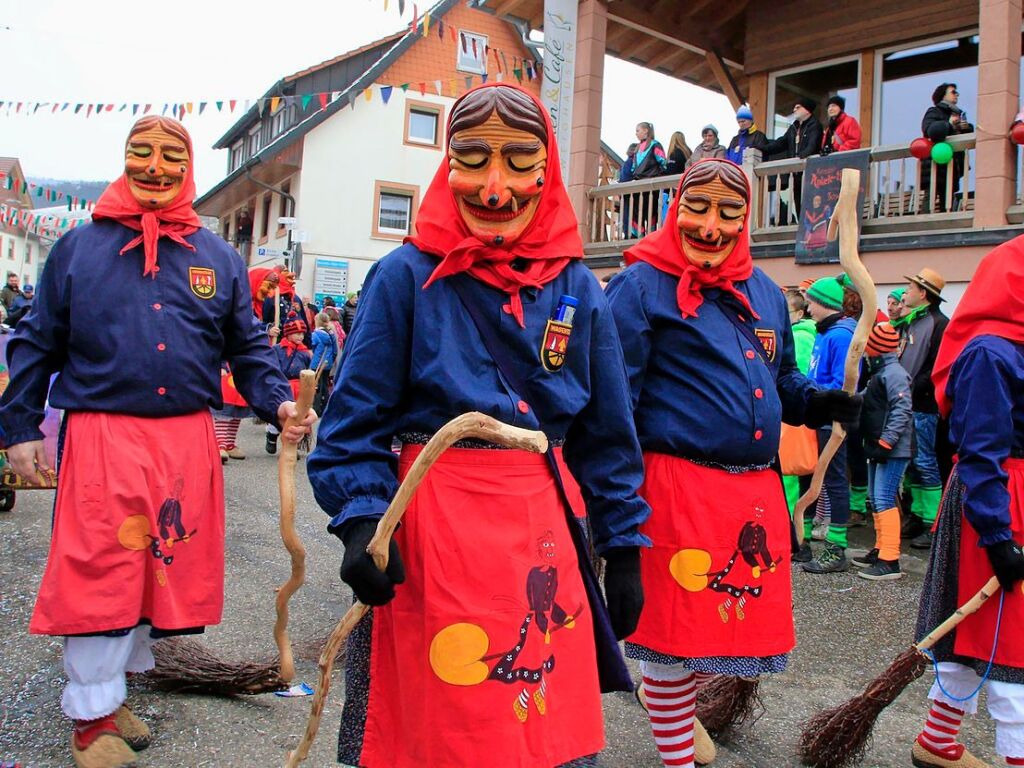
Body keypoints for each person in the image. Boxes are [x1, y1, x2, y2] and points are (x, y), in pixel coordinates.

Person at [307, 83, 649, 768]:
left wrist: (625, 542)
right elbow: (352, 424)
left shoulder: (578, 288)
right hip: (434, 535)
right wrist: (360, 523)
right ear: (448, 165)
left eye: (519, 161)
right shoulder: (403, 277)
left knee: (536, 722)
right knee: (442, 724)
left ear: (547, 170)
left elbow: (608, 432)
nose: (495, 187)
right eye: (474, 157)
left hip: (542, 528)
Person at [0, 116, 314, 768]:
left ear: (187, 167)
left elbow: (249, 349)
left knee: (155, 572)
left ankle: (110, 695)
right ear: (124, 160)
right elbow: (35, 342)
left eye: (169, 156)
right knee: (102, 573)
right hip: (103, 436)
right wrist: (19, 428)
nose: (155, 166)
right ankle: (90, 719)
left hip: (185, 444)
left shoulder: (217, 256)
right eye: (140, 153)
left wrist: (279, 401)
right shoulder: (79, 249)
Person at [606, 158, 859, 768]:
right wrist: (615, 514)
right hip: (674, 490)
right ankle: (676, 756)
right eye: (699, 207)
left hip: (750, 496)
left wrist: (820, 401)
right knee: (671, 641)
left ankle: (672, 719)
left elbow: (784, 380)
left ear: (746, 218)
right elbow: (615, 406)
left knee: (710, 635)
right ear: (675, 209)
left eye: (729, 211)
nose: (713, 226)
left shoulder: (766, 291)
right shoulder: (639, 288)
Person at [911, 235, 1024, 768]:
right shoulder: (990, 353)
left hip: (1006, 499)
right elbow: (981, 455)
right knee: (1007, 646)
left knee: (976, 630)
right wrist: (1000, 538)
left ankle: (936, 742)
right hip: (995, 503)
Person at [802, 276, 858, 572]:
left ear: (825, 303)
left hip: (832, 420)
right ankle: (804, 538)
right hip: (818, 416)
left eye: (811, 301)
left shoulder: (840, 335)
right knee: (812, 474)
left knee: (834, 479)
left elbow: (843, 380)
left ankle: (836, 548)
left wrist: (819, 401)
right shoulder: (825, 332)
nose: (807, 307)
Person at [894, 268, 950, 550]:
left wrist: (913, 386)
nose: (906, 292)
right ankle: (917, 514)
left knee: (925, 461)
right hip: (905, 402)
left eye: (911, 288)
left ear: (923, 293)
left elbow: (938, 365)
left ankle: (932, 521)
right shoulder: (910, 322)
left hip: (923, 405)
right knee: (912, 462)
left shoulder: (939, 324)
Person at [853, 322, 913, 581]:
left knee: (885, 498)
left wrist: (886, 441)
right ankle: (880, 549)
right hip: (878, 445)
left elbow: (902, 410)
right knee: (876, 498)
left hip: (891, 448)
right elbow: (865, 398)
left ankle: (890, 559)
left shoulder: (894, 374)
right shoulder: (881, 373)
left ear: (876, 349)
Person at [781, 288, 818, 561]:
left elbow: (795, 375)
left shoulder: (801, 337)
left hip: (794, 416)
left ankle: (794, 533)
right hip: (793, 413)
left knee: (789, 473)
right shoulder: (802, 333)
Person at [763, 99, 823, 215]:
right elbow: (781, 143)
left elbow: (813, 145)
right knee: (798, 203)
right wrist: (763, 148)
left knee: (811, 204)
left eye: (798, 107)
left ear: (807, 110)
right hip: (796, 173)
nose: (794, 110)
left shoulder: (815, 125)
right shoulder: (793, 128)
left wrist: (801, 156)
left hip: (811, 172)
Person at [921, 83, 974, 212]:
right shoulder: (934, 111)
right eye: (953, 92)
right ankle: (925, 226)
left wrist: (966, 128)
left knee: (949, 200)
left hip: (952, 165)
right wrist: (949, 124)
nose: (957, 95)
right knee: (931, 197)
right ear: (943, 96)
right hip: (935, 163)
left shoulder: (959, 114)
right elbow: (930, 131)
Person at [266, 313, 311, 455]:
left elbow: (308, 369)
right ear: (288, 334)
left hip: (299, 386)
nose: (300, 337)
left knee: (297, 416)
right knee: (280, 413)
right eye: (297, 333)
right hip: (283, 385)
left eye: (302, 334)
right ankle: (272, 436)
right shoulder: (278, 349)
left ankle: (293, 446)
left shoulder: (305, 353)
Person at [620, 122, 667, 238]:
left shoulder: (655, 145)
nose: (636, 133)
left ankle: (651, 237)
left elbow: (663, 162)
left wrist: (656, 176)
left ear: (646, 130)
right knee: (637, 213)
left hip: (651, 185)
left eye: (638, 130)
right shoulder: (636, 149)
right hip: (638, 185)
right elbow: (633, 168)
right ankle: (638, 237)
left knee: (651, 213)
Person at [309, 311, 338, 416]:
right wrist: (331, 359)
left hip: (316, 363)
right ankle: (325, 407)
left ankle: (316, 409)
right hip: (327, 364)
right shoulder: (331, 335)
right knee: (325, 385)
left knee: (316, 386)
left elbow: (311, 348)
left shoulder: (316, 335)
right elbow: (335, 350)